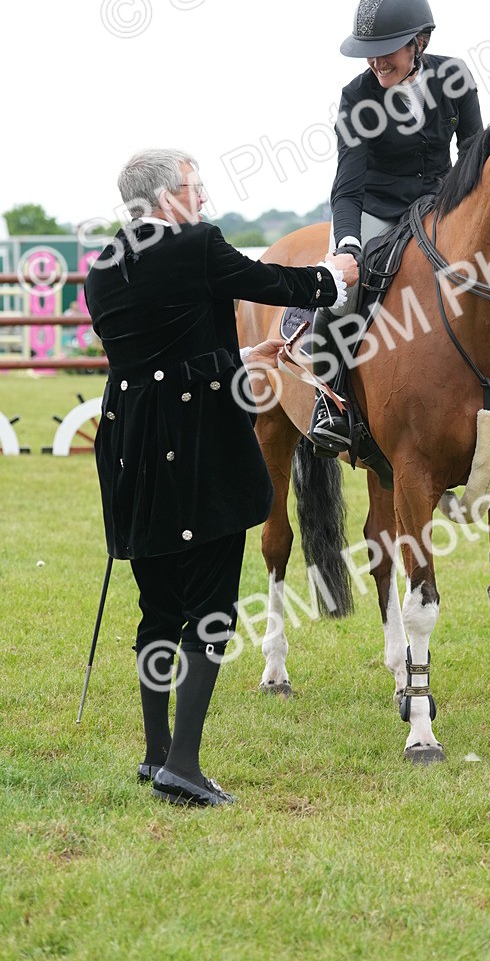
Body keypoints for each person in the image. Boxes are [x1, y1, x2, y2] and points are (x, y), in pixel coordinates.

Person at [84, 148, 358, 807]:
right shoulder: (197, 245)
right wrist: (338, 274)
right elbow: (285, 288)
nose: (203, 198)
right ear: (168, 200)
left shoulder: (101, 269)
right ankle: (184, 764)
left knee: (158, 610)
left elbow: (157, 360)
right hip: (199, 446)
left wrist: (239, 354)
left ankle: (155, 757)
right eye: (194, 187)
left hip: (130, 448)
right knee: (210, 609)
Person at [308, 0, 490, 454]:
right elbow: (347, 185)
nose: (377, 61)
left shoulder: (454, 77)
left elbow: (473, 156)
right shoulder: (357, 96)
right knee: (342, 293)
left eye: (387, 50)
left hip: (442, 206)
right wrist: (345, 246)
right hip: (377, 211)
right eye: (370, 52)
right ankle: (331, 403)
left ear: (419, 43)